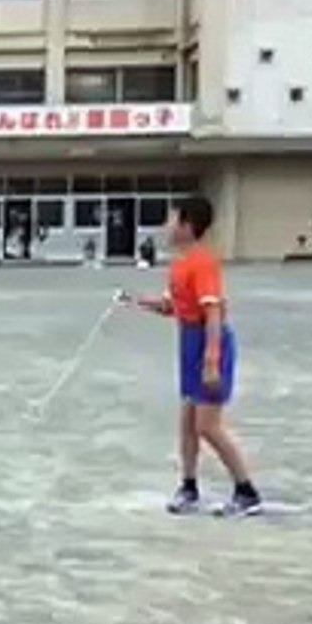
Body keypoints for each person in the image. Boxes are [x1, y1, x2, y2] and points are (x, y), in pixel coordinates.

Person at [125, 197, 263, 517]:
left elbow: (213, 312)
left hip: (208, 342)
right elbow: (174, 307)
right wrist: (139, 302)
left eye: (173, 220)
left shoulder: (202, 262)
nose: (167, 226)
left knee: (207, 426)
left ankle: (247, 491)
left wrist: (212, 359)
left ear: (187, 226)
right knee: (187, 423)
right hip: (188, 341)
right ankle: (188, 486)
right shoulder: (180, 263)